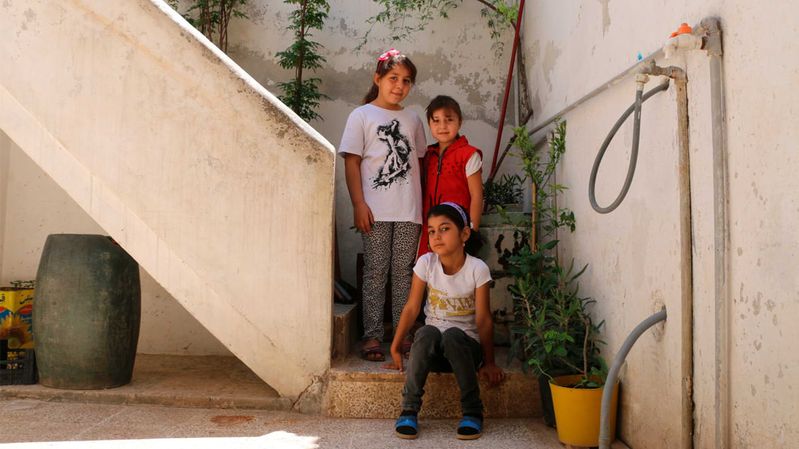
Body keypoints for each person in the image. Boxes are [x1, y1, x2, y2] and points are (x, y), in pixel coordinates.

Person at [384, 202, 505, 440]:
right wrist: (396, 346)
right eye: (431, 230)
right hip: (433, 354)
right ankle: (409, 410)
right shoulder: (426, 263)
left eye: (444, 229)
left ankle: (472, 411)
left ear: (465, 234)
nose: (436, 236)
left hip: (465, 352)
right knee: (426, 332)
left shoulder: (477, 269)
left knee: (452, 335)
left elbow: (483, 320)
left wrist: (489, 362)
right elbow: (411, 308)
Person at [339, 49, 427, 362]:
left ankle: (403, 333)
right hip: (374, 210)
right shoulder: (361, 116)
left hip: (409, 211)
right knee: (376, 272)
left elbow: (420, 165)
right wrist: (358, 203)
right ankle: (373, 334)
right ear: (378, 79)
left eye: (406, 81)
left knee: (404, 272)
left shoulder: (413, 119)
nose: (399, 85)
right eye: (393, 78)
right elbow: (351, 163)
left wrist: (424, 209)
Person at [418, 95, 484, 257]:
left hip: (457, 228)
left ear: (459, 122)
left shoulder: (469, 154)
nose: (442, 126)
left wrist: (472, 231)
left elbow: (477, 195)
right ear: (429, 124)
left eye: (449, 120)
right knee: (430, 273)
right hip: (431, 230)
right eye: (436, 121)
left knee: (456, 272)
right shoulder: (427, 156)